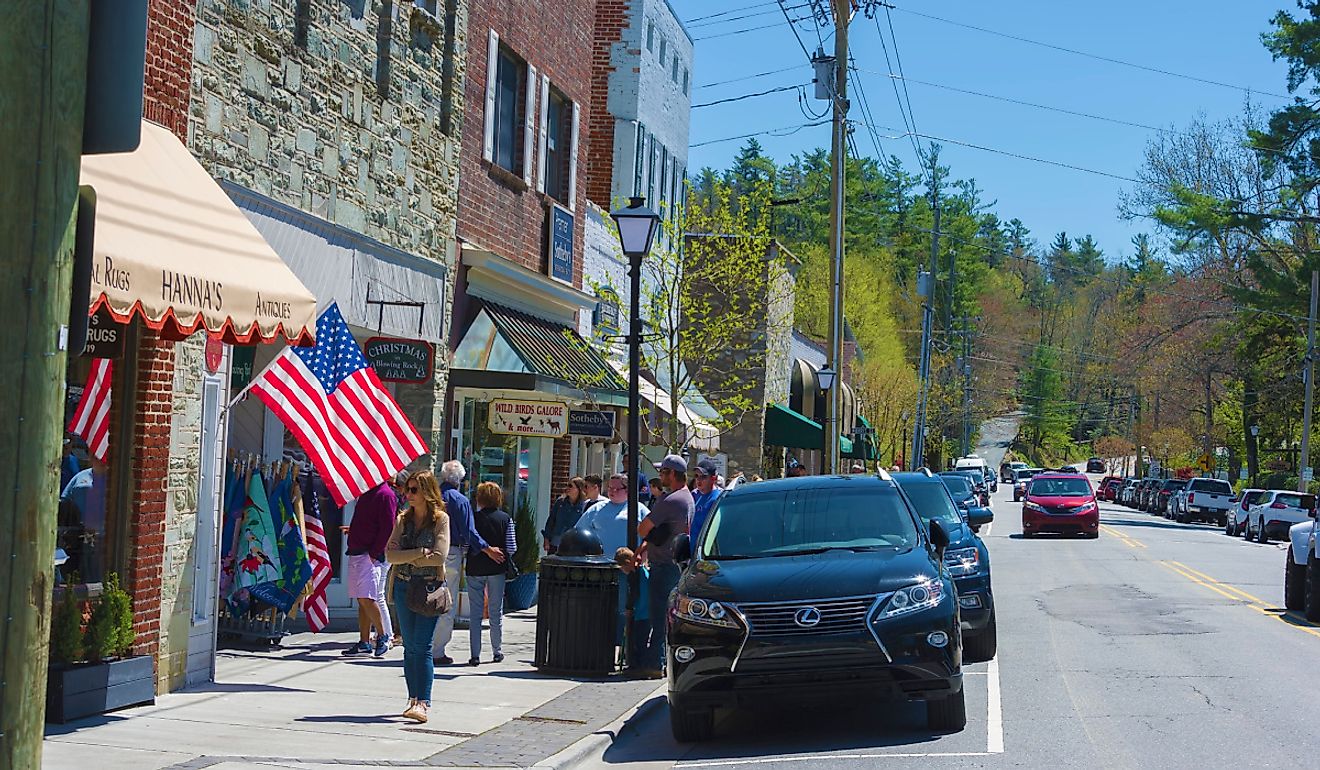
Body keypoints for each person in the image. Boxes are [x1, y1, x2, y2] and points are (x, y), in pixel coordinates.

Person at [386, 470, 451, 724]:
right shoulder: (403, 519)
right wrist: (418, 553)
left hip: (428, 588)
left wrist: (408, 555)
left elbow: (439, 556)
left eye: (414, 490)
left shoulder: (440, 520)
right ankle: (412, 699)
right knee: (409, 647)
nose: (408, 494)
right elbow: (390, 555)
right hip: (403, 585)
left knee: (422, 647)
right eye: (407, 489)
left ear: (427, 492)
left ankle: (423, 702)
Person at [432, 460, 505, 666]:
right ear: (459, 480)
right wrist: (487, 549)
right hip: (450, 552)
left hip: (426, 552)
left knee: (428, 597)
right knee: (446, 601)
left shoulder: (433, 497)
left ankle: (424, 645)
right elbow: (469, 532)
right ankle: (437, 651)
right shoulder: (459, 500)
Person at [634, 454, 694, 677]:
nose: (660, 477)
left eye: (663, 472)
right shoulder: (687, 497)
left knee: (659, 615)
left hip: (663, 565)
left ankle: (654, 663)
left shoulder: (670, 501)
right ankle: (661, 662)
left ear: (673, 474)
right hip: (675, 564)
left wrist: (647, 538)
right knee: (667, 615)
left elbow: (642, 528)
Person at [342, 481, 397, 658]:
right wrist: (354, 531)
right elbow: (367, 522)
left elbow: (387, 527)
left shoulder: (386, 495)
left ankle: (383, 635)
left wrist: (374, 552)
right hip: (359, 550)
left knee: (368, 597)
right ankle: (364, 641)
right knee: (362, 598)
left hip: (369, 554)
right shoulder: (366, 493)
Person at [466, 482, 517, 666]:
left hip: (475, 568)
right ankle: (497, 651)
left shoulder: (473, 518)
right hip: (497, 569)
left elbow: (466, 544)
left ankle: (475, 654)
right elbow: (512, 547)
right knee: (496, 611)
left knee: (475, 613)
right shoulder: (505, 518)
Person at [576, 474, 649, 556]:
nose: (612, 491)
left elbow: (651, 537)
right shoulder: (596, 508)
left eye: (617, 489)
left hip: (628, 563)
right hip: (600, 563)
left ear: (627, 490)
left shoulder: (639, 509)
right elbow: (578, 533)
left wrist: (642, 556)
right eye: (610, 488)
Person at [614, 546, 650, 667]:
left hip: (641, 613)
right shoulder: (643, 572)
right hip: (645, 611)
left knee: (638, 640)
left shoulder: (635, 575)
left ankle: (637, 665)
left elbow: (635, 593)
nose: (622, 570)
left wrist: (629, 607)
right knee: (640, 639)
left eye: (622, 567)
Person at [542, 477, 586, 555]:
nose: (567, 488)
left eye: (570, 486)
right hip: (556, 543)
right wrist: (546, 540)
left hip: (573, 545)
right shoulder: (560, 503)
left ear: (578, 489)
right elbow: (551, 521)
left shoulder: (584, 506)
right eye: (567, 485)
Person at [689, 458, 722, 539]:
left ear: (713, 479)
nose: (698, 480)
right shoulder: (694, 495)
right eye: (696, 476)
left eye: (703, 477)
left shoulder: (717, 499)